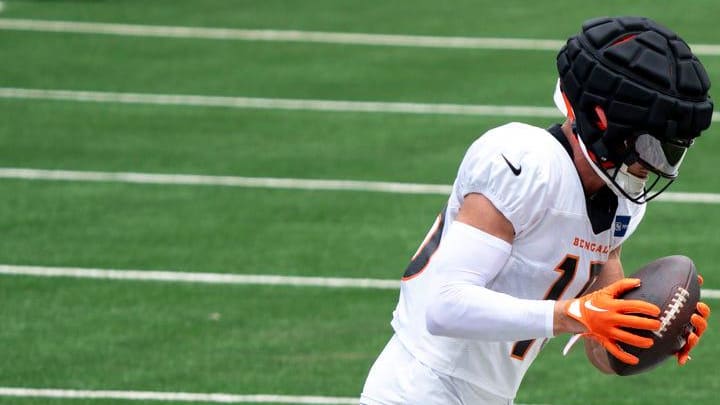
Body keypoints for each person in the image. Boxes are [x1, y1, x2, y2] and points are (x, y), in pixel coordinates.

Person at [360, 16, 712, 405]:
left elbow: (602, 347)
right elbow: (445, 306)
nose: (656, 164)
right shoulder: (524, 163)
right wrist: (570, 314)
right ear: (603, 119)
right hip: (419, 386)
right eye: (651, 146)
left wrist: (655, 332)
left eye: (671, 151)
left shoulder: (620, 202)